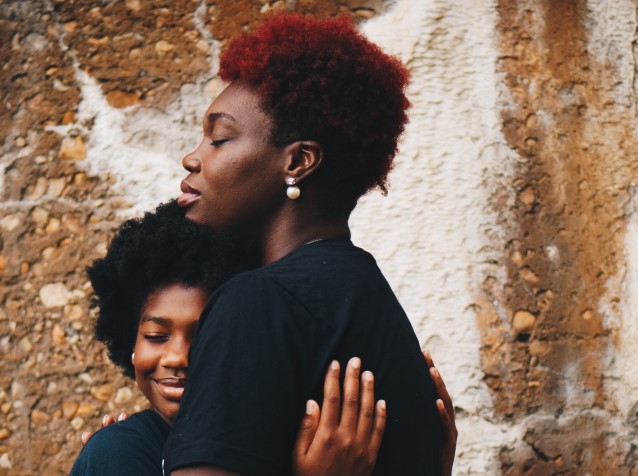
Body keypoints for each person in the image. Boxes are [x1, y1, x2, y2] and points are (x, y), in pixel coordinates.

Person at [168, 12, 451, 475]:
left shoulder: (257, 303)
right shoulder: (372, 302)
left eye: (219, 138)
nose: (192, 157)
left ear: (298, 162)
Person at [71, 202, 454, 475]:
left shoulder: (291, 443)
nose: (178, 357)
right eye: (156, 335)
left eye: (206, 335)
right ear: (130, 345)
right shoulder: (121, 453)